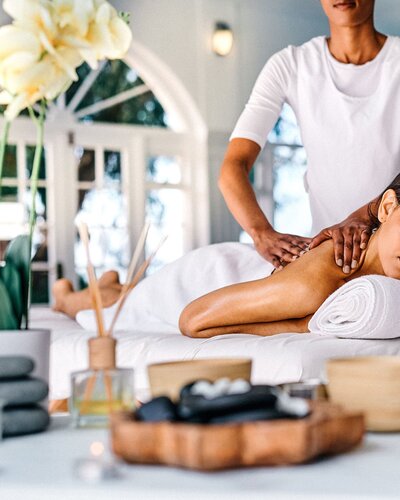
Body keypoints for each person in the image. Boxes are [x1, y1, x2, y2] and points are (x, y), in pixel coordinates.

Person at [54, 175, 400, 339]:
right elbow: (192, 320)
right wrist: (304, 326)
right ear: (386, 207)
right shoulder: (315, 283)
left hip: (248, 273)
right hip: (203, 282)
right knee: (111, 312)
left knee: (128, 297)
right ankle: (65, 296)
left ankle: (113, 284)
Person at [220, 0, 400, 273]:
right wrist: (261, 233)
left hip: (392, 256)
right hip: (327, 257)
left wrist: (366, 215)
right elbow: (233, 166)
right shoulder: (291, 64)